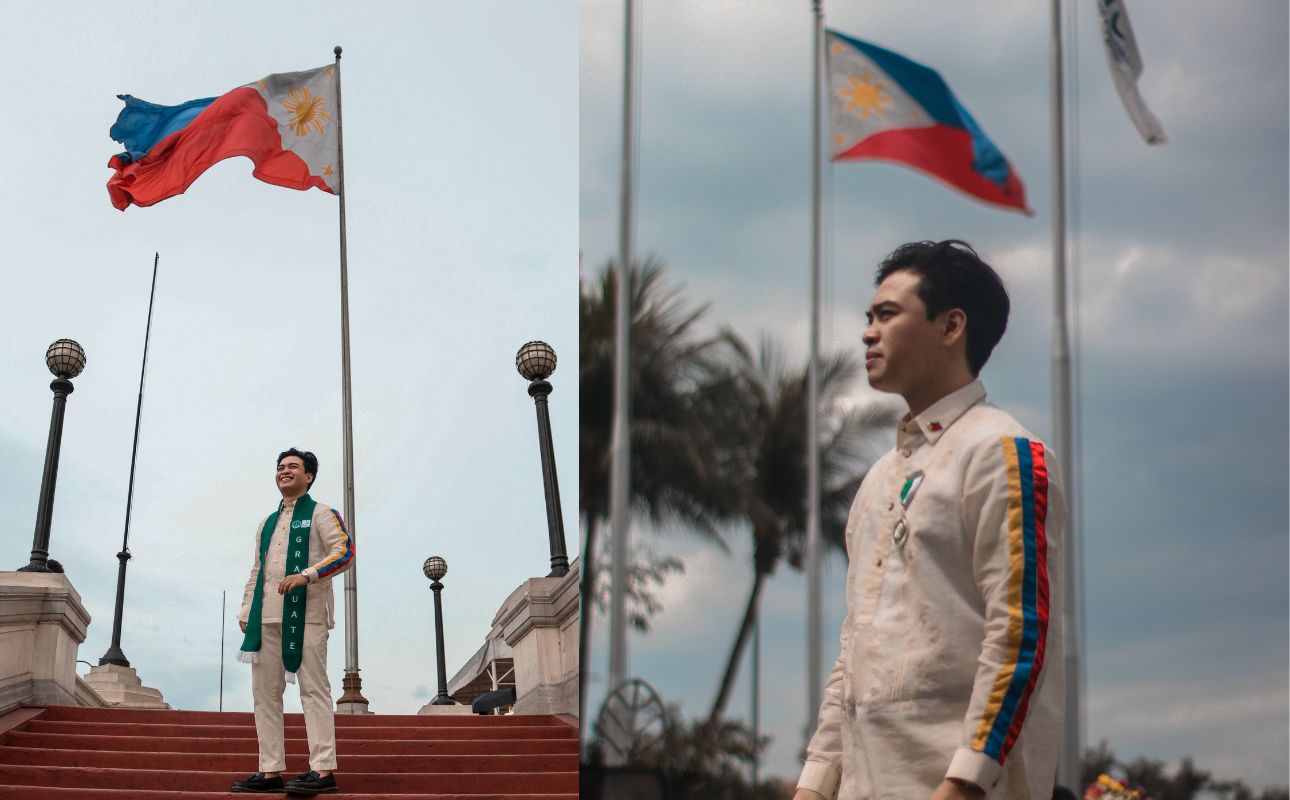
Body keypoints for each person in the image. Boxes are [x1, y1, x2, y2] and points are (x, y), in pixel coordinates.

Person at [795, 241, 1066, 800]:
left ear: (951, 327)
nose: (868, 332)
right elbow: (855, 647)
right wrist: (817, 782)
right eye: (868, 318)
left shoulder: (1002, 450)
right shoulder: (877, 480)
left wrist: (966, 780)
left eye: (888, 314)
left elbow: (1020, 633)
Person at [231, 448, 354, 796]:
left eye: (293, 467)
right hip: (266, 616)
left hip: (308, 615)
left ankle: (323, 769)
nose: (284, 472)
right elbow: (258, 570)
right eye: (281, 467)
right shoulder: (266, 523)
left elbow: (344, 553)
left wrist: (308, 575)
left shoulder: (321, 513)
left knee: (313, 689)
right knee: (265, 694)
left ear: (308, 476)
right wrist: (246, 611)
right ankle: (269, 771)